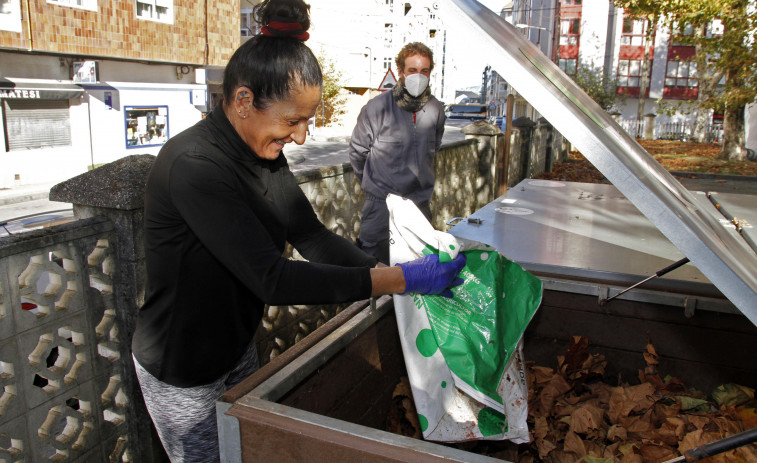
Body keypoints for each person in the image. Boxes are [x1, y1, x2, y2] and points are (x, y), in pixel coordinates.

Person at [129, 1, 465, 462]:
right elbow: (272, 278)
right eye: (293, 121)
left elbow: (311, 236)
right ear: (244, 101)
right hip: (183, 366)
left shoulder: (262, 154)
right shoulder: (195, 166)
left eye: (308, 120)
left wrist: (380, 268)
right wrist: (399, 281)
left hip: (236, 345)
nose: (303, 137)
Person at [349, 42, 446, 264]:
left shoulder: (436, 110)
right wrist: (374, 186)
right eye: (412, 70)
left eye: (424, 71)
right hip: (381, 207)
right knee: (375, 270)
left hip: (419, 206)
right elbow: (358, 153)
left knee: (418, 272)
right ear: (401, 72)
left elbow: (433, 150)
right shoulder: (376, 108)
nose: (418, 76)